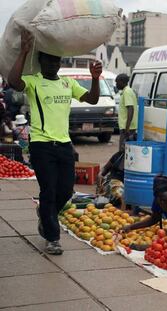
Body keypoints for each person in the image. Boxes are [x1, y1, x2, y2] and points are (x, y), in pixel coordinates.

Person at [8, 29, 102, 255]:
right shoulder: (34, 82)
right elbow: (13, 81)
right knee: (48, 190)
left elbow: (92, 98)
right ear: (40, 62)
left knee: (66, 191)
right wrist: (23, 51)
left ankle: (45, 214)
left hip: (64, 145)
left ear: (60, 63)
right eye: (48, 60)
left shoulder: (68, 83)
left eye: (56, 61)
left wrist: (95, 79)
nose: (53, 65)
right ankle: (52, 237)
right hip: (41, 145)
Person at [115, 74, 137, 151]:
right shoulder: (126, 91)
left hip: (127, 128)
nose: (116, 85)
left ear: (122, 82)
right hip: (126, 127)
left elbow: (130, 109)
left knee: (123, 151)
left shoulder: (127, 92)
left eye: (117, 82)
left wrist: (127, 128)